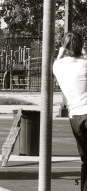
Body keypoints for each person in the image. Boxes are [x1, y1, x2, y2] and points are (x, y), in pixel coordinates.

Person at [53, 31, 87, 191]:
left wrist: (60, 54)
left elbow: (58, 63)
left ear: (63, 47)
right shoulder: (85, 63)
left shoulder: (58, 65)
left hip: (76, 117)